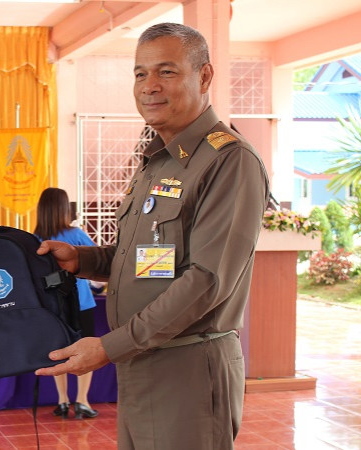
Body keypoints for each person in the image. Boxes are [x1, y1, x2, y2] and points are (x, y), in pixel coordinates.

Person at [36, 23, 270, 449]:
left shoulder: (229, 161)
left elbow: (207, 281)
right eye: (140, 74)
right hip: (142, 359)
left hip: (188, 365)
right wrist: (83, 259)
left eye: (166, 71)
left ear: (204, 76)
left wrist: (111, 345)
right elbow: (148, 257)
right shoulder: (158, 161)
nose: (149, 87)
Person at [33, 187, 99, 420]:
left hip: (50, 306)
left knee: (58, 352)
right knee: (85, 352)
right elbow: (97, 262)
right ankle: (82, 401)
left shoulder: (34, 239)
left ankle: (62, 401)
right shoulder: (77, 234)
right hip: (80, 303)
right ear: (64, 208)